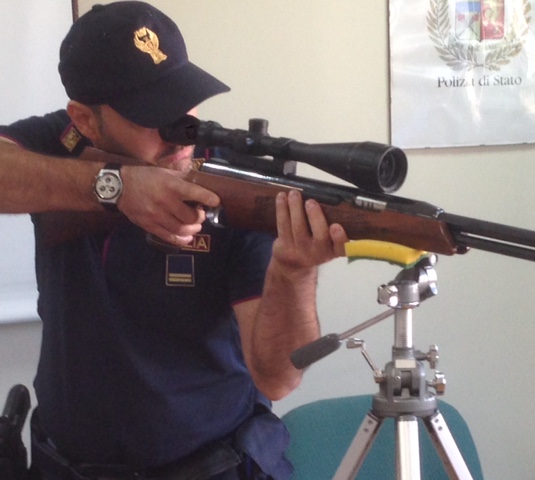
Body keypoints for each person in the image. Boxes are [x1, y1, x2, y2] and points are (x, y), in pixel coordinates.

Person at [0, 2, 348, 479]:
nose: (182, 133)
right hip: (63, 466)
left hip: (210, 467)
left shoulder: (236, 186)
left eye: (184, 100)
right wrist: (114, 187)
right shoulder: (58, 144)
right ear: (85, 120)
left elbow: (277, 378)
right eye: (152, 114)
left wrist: (295, 272)